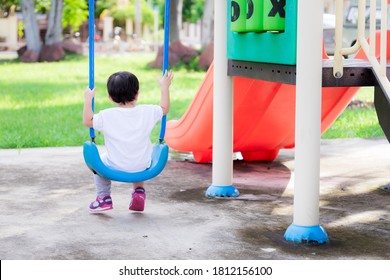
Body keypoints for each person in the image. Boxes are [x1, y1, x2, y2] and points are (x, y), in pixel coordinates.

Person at [83, 70, 174, 213]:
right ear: (137, 94)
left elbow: (87, 121)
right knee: (138, 157)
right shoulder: (147, 111)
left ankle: (104, 197)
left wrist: (88, 99)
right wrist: (164, 87)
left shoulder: (107, 116)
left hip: (114, 166)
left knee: (98, 164)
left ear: (110, 97)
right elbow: (165, 108)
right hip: (142, 165)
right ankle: (139, 191)